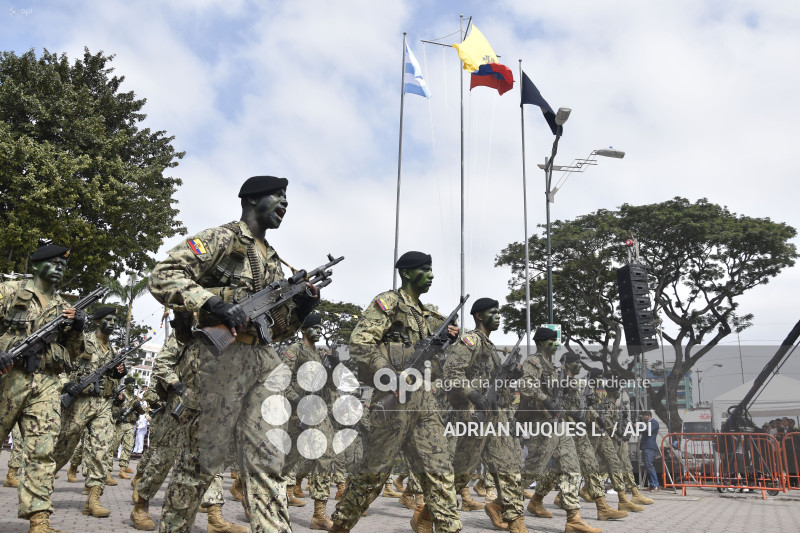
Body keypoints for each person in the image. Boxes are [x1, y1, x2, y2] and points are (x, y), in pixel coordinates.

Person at [147, 175, 318, 533]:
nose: (285, 203)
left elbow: (277, 330)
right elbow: (163, 275)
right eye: (277, 195)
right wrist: (211, 303)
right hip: (219, 361)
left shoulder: (275, 262)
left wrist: (301, 308)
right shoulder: (221, 239)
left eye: (287, 198)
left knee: (268, 459)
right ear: (252, 199)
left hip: (263, 362)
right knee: (200, 462)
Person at [330, 251, 462, 533]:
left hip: (425, 402)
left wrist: (448, 339)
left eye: (431, 269)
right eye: (424, 270)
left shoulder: (428, 315)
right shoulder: (388, 303)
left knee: (440, 472)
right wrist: (389, 374)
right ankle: (340, 525)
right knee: (372, 476)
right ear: (406, 273)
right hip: (394, 401)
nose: (431, 275)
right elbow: (360, 342)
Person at [0, 243, 85, 533]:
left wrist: (78, 329)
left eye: (64, 265)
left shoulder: (64, 308)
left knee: (42, 451)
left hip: (46, 382)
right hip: (8, 379)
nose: (60, 268)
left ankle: (39, 520)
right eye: (53, 262)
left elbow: (72, 354)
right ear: (36, 265)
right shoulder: (9, 291)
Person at [442, 297, 527, 533]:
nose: (498, 317)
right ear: (479, 316)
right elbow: (451, 373)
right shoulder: (470, 341)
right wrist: (474, 395)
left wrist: (512, 375)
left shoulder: (490, 347)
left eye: (499, 313)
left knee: (509, 467)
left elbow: (494, 383)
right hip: (474, 416)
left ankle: (516, 521)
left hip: (495, 416)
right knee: (461, 472)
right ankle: (427, 514)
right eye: (493, 312)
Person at [518, 327, 600, 533]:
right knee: (533, 469)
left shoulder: (553, 368)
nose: (556, 344)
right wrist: (546, 399)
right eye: (552, 340)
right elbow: (525, 385)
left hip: (558, 423)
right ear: (542, 342)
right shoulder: (534, 362)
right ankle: (501, 502)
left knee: (572, 466)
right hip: (542, 423)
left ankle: (573, 518)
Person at [51, 306, 126, 518]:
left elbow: (112, 378)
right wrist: (66, 384)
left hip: (103, 403)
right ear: (97, 321)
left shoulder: (112, 350)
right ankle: (41, 484)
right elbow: (62, 364)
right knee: (64, 446)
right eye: (108, 319)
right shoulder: (83, 340)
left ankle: (93, 499)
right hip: (79, 402)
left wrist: (119, 373)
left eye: (114, 321)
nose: (112, 323)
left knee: (101, 450)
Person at [640, 411, 660, 491]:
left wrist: (638, 427)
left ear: (648, 416)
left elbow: (648, 430)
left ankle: (656, 485)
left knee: (649, 464)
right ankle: (652, 484)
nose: (642, 418)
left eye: (643, 416)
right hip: (645, 446)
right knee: (647, 466)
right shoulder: (647, 423)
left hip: (649, 446)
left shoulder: (653, 422)